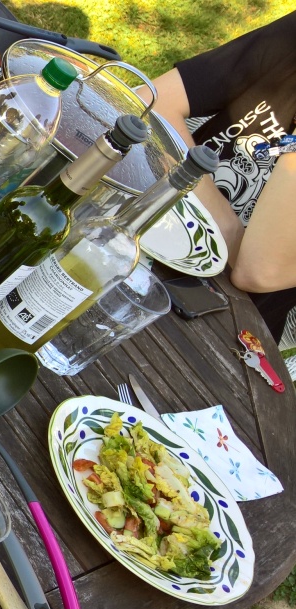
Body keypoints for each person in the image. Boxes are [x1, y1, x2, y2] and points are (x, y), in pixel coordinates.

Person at [149, 12, 296, 370]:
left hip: (222, 325)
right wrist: (228, 229)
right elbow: (153, 102)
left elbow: (257, 270)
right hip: (149, 228)